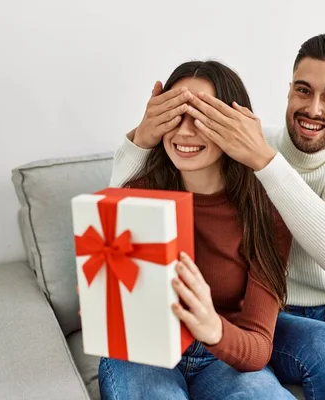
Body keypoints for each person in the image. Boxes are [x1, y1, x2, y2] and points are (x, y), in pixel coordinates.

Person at [110, 34, 325, 400]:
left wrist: (264, 162)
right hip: (241, 318)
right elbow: (116, 216)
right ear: (288, 91)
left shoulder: (277, 160)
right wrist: (142, 137)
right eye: (303, 90)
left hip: (303, 304)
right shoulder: (244, 142)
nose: (313, 108)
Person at [98, 60, 296, 399]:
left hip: (222, 356)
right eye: (175, 114)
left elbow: (259, 347)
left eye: (202, 117)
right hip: (143, 355)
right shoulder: (137, 194)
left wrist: (212, 327)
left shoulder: (267, 209)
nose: (185, 131)